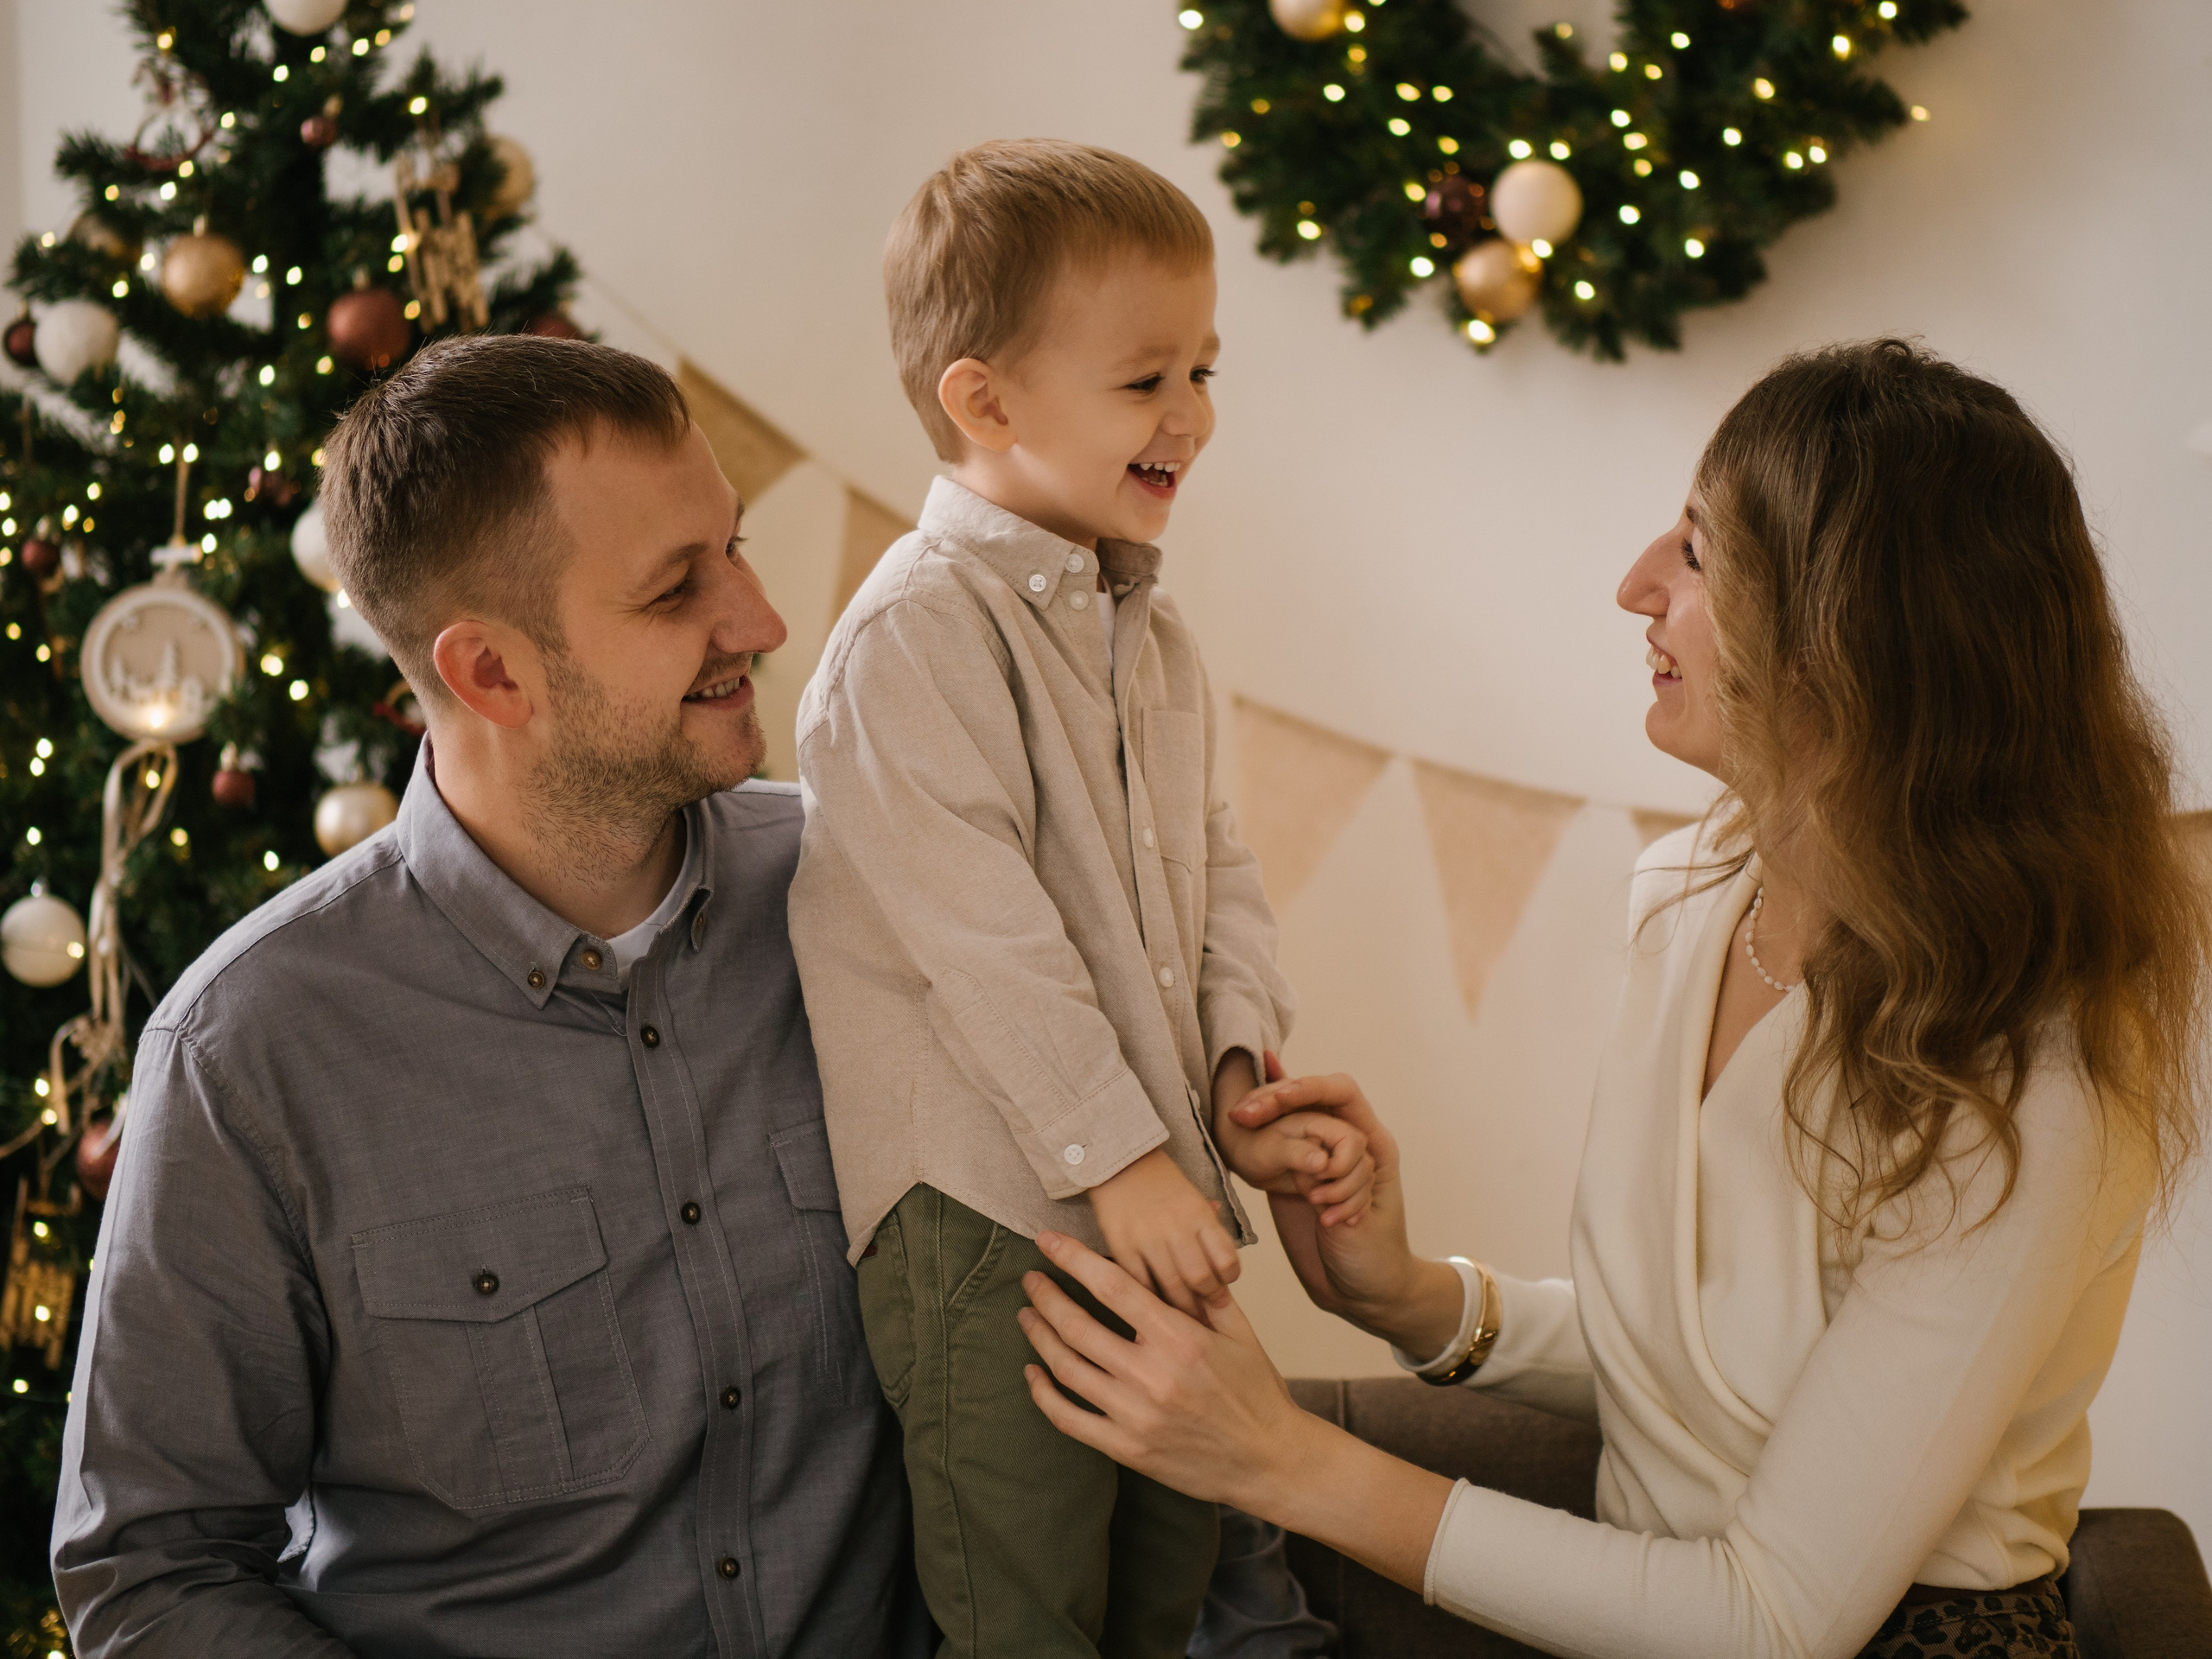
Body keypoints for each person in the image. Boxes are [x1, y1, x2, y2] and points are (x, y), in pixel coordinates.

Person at [1013, 339, 2209, 1659]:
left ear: (1848, 638)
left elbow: (1772, 1619)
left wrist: (1279, 1461)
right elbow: (1720, 1379)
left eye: (1698, 554)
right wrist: (1412, 1298)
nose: (1635, 584)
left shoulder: (2030, 1071)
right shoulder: (1698, 889)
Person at [51, 336, 931, 1657]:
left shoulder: (870, 891)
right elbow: (153, 1571)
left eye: (732, 547)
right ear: (492, 675)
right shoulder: (249, 1052)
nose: (759, 618)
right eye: (674, 589)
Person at [786, 140, 1371, 1659]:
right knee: (1027, 1598)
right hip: (991, 1214)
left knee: (1167, 1583)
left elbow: (1216, 873)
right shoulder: (910, 642)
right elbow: (986, 946)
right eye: (1144, 381)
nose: (1191, 414)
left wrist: (1236, 1071)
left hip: (1152, 1194)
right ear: (984, 400)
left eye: (1205, 368)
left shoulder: (1148, 634)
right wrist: (1122, 1166)